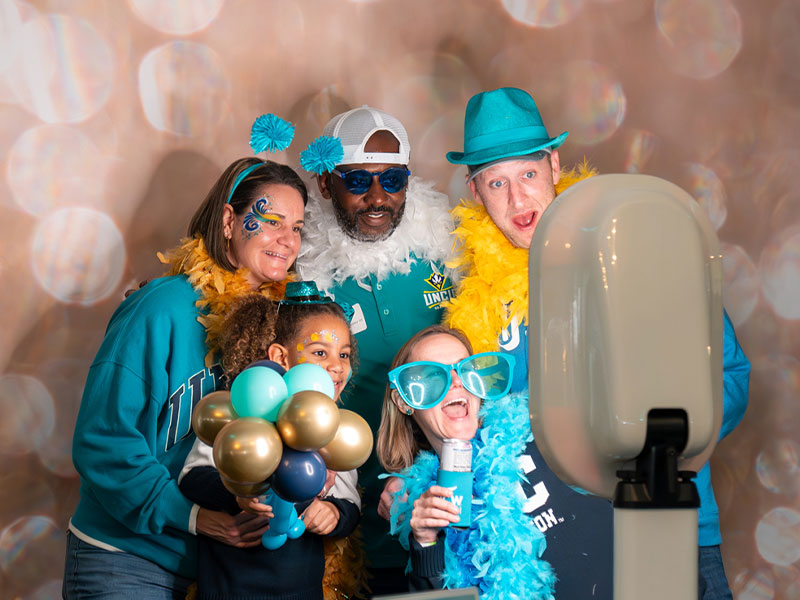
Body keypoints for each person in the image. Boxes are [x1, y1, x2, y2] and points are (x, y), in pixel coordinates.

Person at [443, 87, 749, 598]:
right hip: (558, 550)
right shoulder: (476, 306)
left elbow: (730, 379)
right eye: (497, 182)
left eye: (528, 175)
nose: (518, 200)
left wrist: (658, 441)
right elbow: (465, 425)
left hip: (670, 523)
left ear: (555, 166)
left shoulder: (639, 249)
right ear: (476, 193)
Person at [64, 117, 309, 599]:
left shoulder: (281, 325)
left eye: (298, 227)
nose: (287, 239)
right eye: (272, 220)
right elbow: (103, 441)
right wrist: (195, 518)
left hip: (216, 570)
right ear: (228, 221)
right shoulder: (160, 307)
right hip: (125, 559)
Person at [296, 105, 456, 595]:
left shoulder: (447, 248)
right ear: (325, 183)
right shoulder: (296, 270)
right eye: (358, 180)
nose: (377, 197)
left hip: (448, 512)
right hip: (343, 518)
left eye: (392, 179)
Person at [178, 282, 362, 599]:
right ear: (281, 357)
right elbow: (191, 477)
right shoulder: (244, 413)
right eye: (321, 352)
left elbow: (350, 503)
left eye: (344, 354)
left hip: (300, 588)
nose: (337, 365)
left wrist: (334, 514)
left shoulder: (333, 429)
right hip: (229, 585)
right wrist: (236, 493)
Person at [376, 325, 556, 600]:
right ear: (404, 401)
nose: (455, 381)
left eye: (465, 369)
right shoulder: (421, 503)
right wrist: (425, 541)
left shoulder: (541, 433)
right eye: (431, 376)